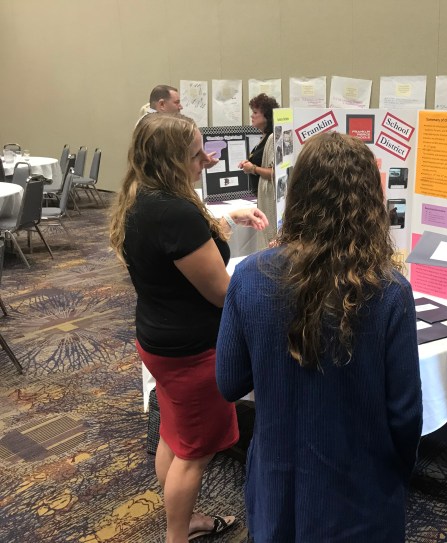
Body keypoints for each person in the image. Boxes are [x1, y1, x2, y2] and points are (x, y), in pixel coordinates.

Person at [216, 131, 423, 542]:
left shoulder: (249, 276)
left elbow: (230, 382)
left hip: (276, 484)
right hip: (359, 491)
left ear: (296, 194)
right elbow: (405, 415)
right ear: (371, 200)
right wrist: (395, 475)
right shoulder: (389, 291)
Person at [109, 113, 268, 543]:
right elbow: (221, 293)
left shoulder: (142, 196)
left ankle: (184, 519)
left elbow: (183, 250)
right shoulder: (175, 211)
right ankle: (177, 534)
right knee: (195, 454)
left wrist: (229, 220)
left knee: (174, 436)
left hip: (159, 339)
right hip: (193, 351)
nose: (207, 160)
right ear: (171, 160)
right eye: (197, 154)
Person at [238, 93, 279, 250]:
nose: (252, 116)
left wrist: (253, 169)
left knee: (269, 236)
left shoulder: (272, 138)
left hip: (270, 198)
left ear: (267, 116)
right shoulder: (264, 137)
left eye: (255, 112)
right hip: (263, 195)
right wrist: (249, 164)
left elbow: (274, 172)